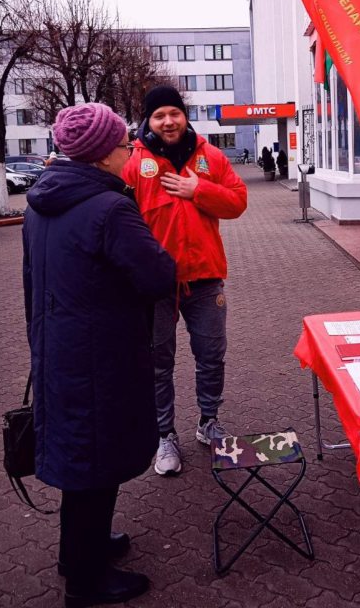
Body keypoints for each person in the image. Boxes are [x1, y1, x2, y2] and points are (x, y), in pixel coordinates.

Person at [23, 103, 176, 607]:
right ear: (99, 155)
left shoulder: (41, 202)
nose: (129, 149)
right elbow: (156, 276)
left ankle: (79, 552)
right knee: (96, 460)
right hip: (99, 353)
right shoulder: (110, 208)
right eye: (121, 144)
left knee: (81, 457)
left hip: (59, 347)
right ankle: (86, 585)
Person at [122, 86, 247, 477]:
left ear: (185, 115)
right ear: (149, 120)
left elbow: (239, 201)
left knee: (211, 356)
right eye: (159, 115)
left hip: (206, 279)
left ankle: (207, 421)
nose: (168, 121)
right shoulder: (132, 162)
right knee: (158, 364)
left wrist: (200, 190)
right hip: (154, 286)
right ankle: (164, 435)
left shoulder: (210, 157)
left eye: (174, 113)